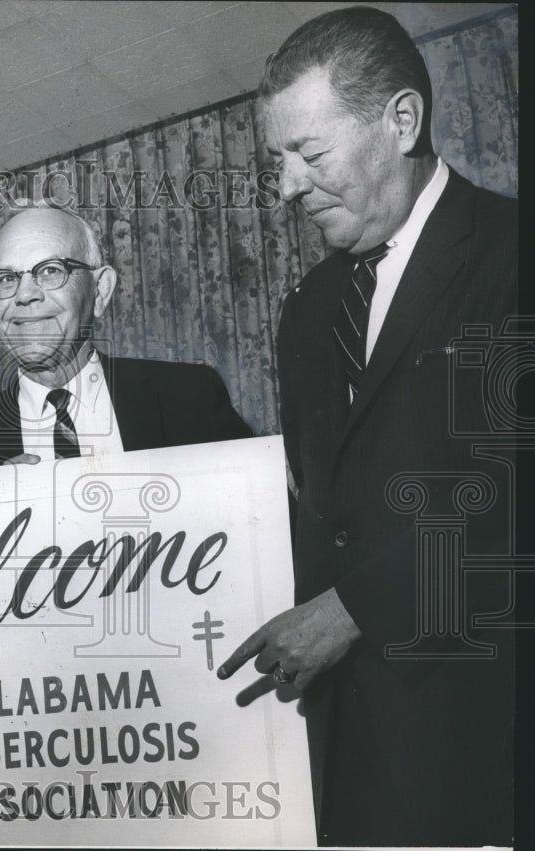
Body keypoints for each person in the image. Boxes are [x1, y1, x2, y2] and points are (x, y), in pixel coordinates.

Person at [216, 7, 516, 847]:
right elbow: (324, 508)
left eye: (308, 155)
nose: (285, 187)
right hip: (335, 756)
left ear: (403, 120)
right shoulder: (307, 311)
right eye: (279, 161)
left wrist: (353, 608)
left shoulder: (511, 253)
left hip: (476, 759)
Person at [0, 204, 252, 474]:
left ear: (100, 290)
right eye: (5, 278)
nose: (24, 295)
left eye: (50, 271)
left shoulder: (191, 399)